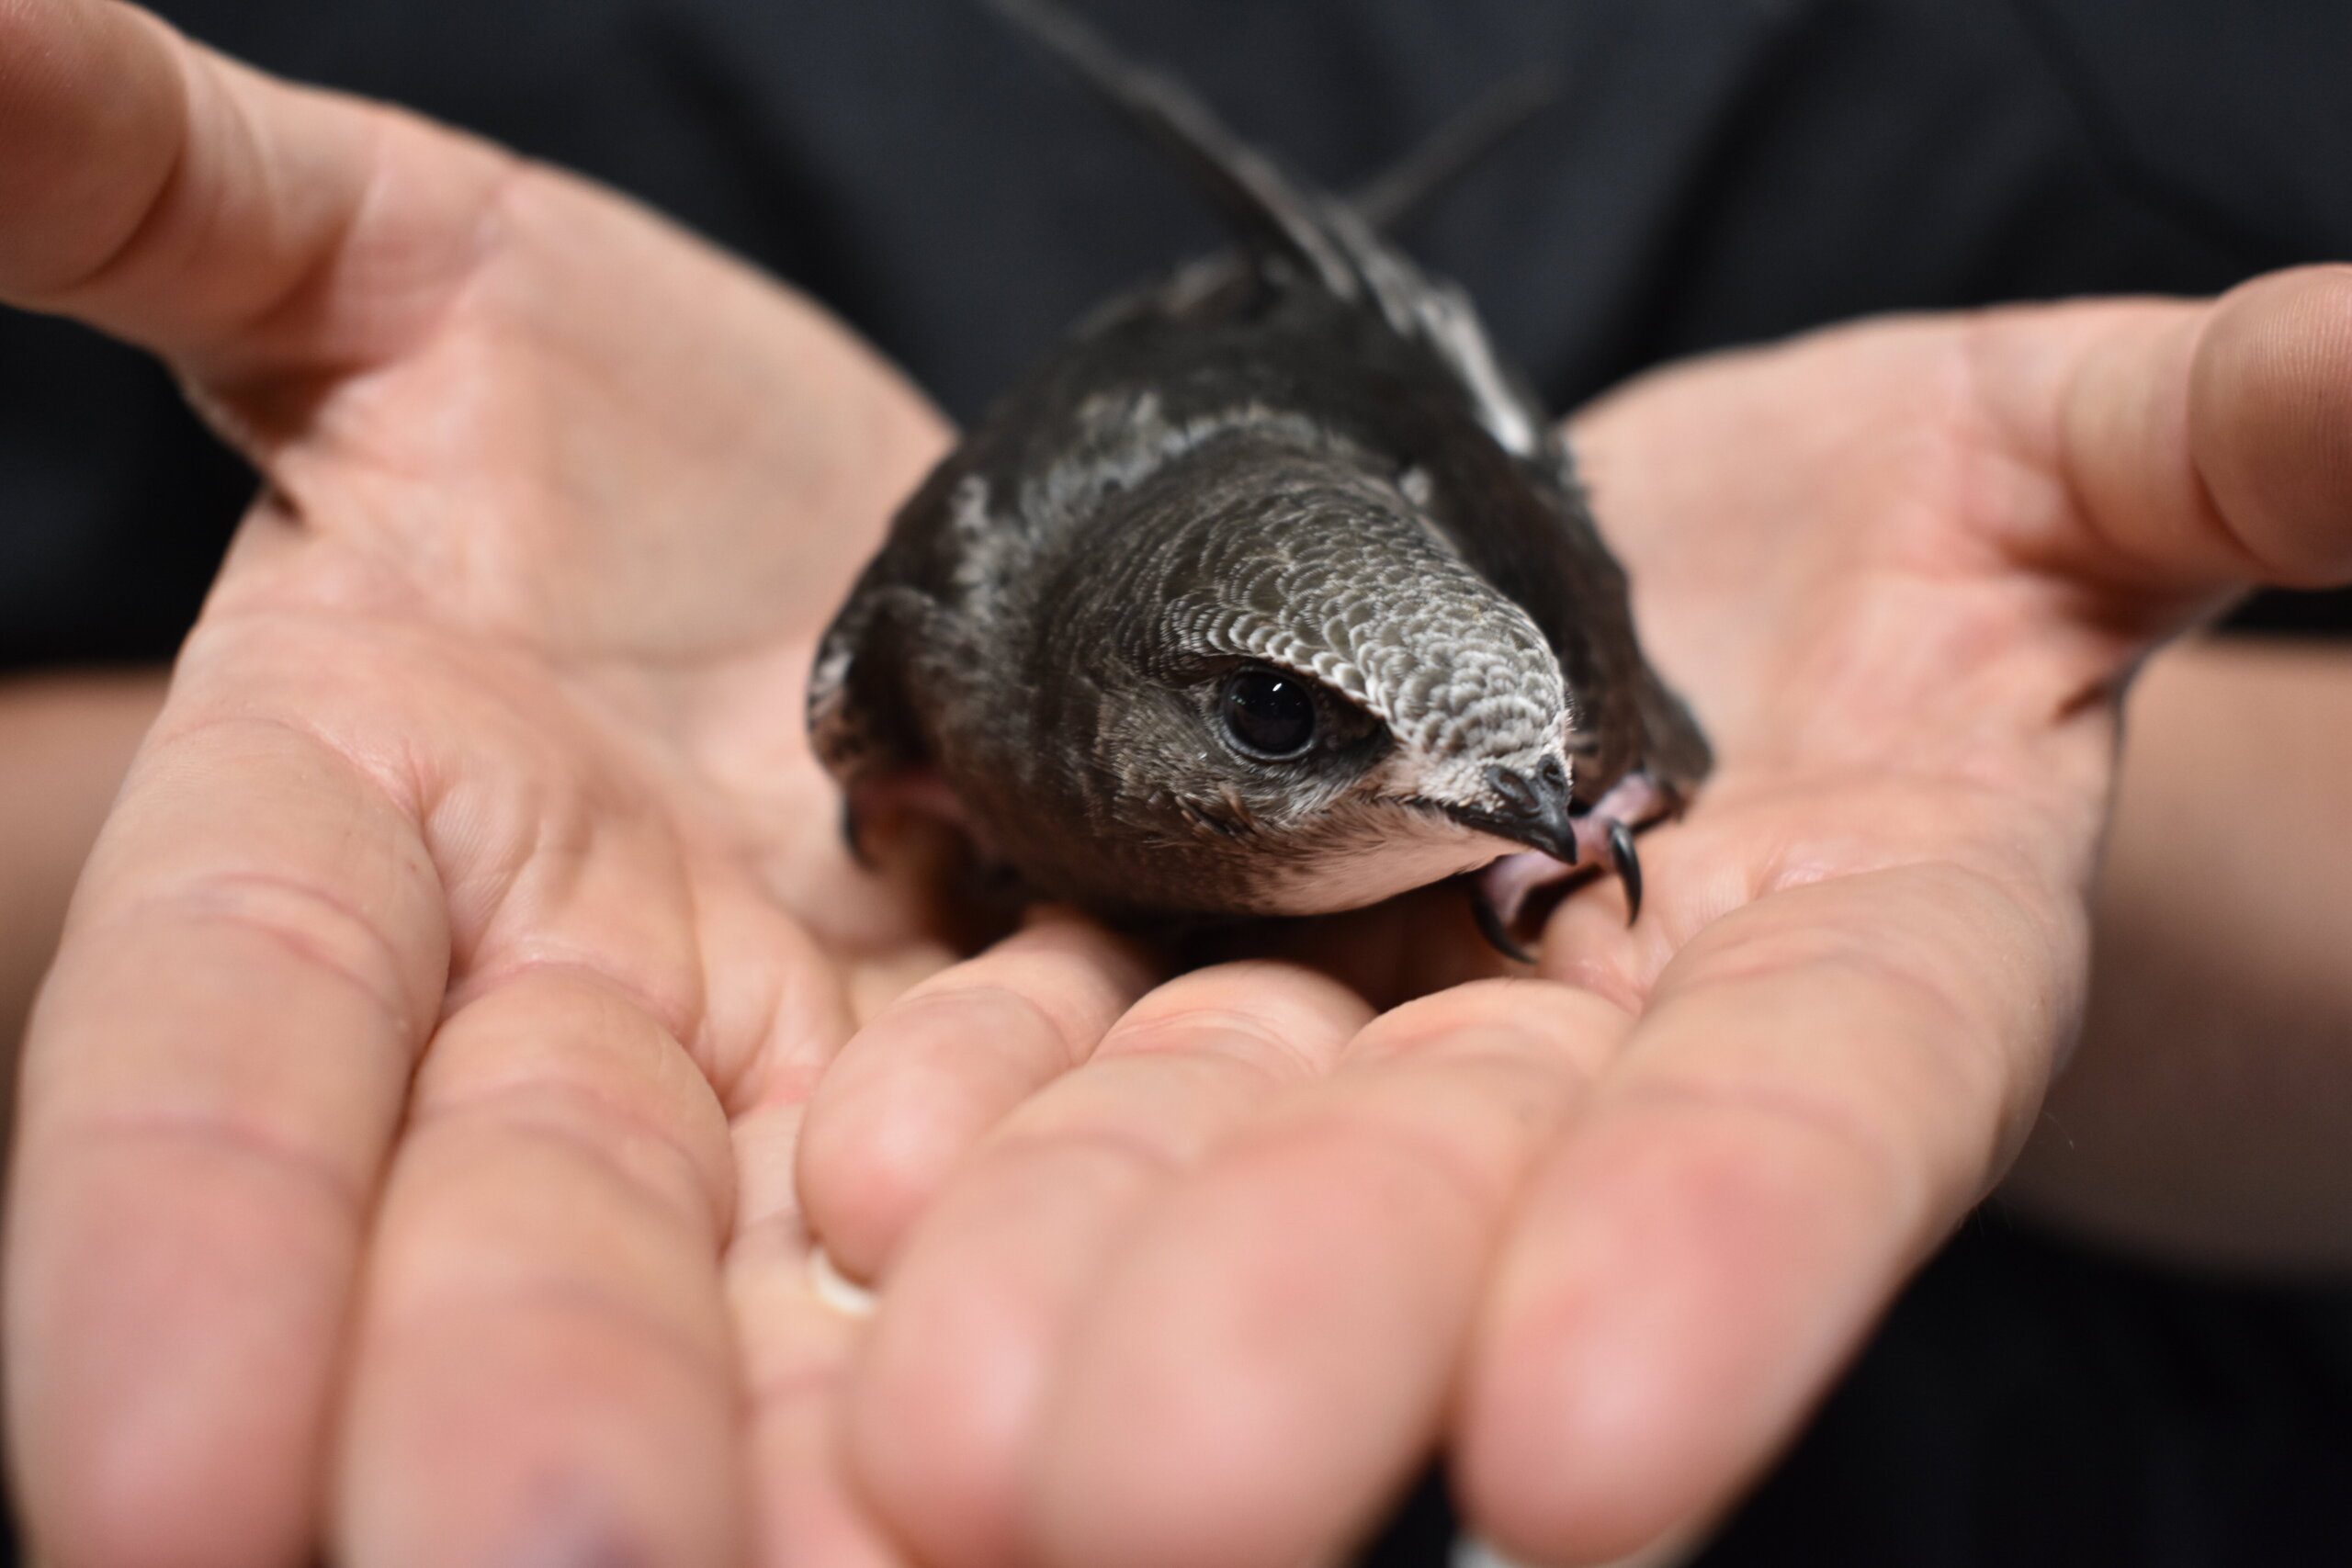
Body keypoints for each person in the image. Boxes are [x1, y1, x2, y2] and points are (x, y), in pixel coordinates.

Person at [2, 1, 2348, 1565]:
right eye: (1312, 732)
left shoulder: (1542, 697)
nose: (1527, 806)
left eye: (1518, 758)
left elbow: (1535, 733)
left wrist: (1632, 776)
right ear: (1111, 723)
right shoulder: (932, 651)